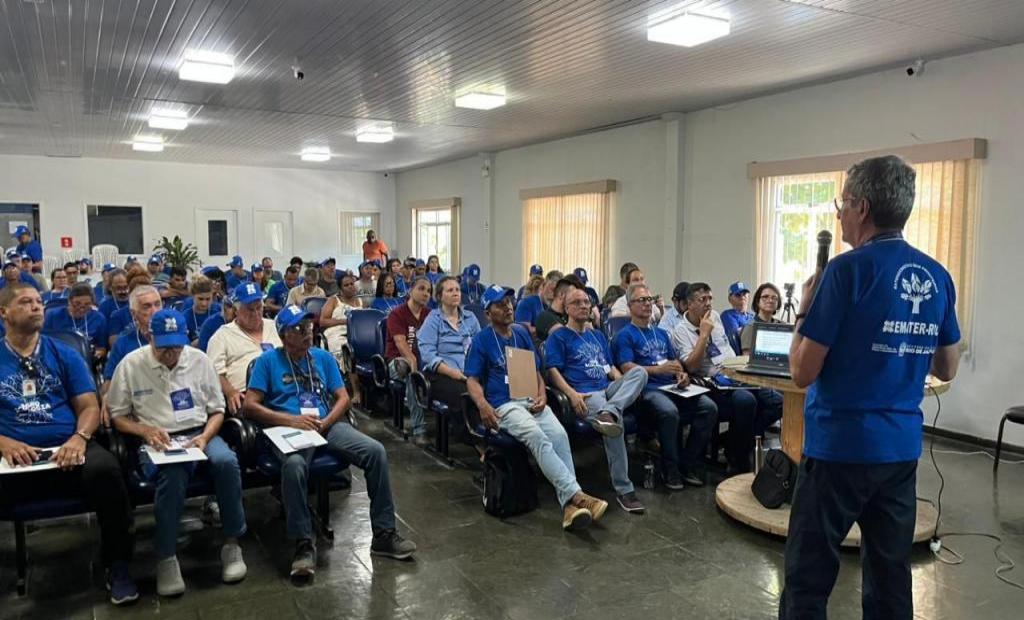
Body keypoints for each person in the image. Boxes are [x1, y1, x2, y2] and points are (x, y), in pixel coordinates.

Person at [779, 156, 961, 619]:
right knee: (889, 577)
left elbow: (802, 372)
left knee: (809, 576)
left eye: (841, 203)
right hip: (899, 452)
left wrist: (804, 309)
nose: (838, 213)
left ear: (861, 207)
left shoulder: (844, 272)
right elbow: (948, 365)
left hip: (839, 448)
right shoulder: (937, 275)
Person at [244, 306, 416, 581]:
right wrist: (290, 420)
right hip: (288, 431)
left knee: (375, 451)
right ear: (283, 335)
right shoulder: (267, 362)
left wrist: (326, 423)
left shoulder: (322, 358)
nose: (307, 333)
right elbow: (249, 407)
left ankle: (384, 534)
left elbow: (343, 397)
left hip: (327, 426)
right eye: (298, 330)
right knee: (295, 467)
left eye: (309, 328)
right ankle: (303, 543)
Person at [0, 283, 137, 605]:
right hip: (10, 453)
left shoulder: (64, 353)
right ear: (3, 312)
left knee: (107, 471)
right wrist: (3, 442)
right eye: (25, 302)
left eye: (38, 302)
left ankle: (118, 565)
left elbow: (89, 406)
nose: (36, 307)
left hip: (67, 445)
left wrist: (79, 438)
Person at [108, 309, 247, 596]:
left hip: (200, 432)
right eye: (164, 348)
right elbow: (118, 416)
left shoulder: (199, 361)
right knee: (173, 473)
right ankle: (167, 556)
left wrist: (205, 437)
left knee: (227, 463)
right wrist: (145, 431)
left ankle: (232, 543)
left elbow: (217, 410)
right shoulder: (130, 365)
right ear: (150, 338)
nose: (171, 354)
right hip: (157, 438)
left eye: (177, 346)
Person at [465, 285, 608, 531]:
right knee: (537, 436)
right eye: (500, 305)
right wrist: (483, 405)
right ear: (488, 313)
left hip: (531, 400)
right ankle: (578, 496)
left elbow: (536, 371)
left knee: (559, 436)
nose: (508, 307)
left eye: (509, 302)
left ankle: (569, 507)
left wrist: (542, 394)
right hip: (505, 405)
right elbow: (472, 380)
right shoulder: (482, 340)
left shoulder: (521, 334)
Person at [545, 287, 649, 513]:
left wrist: (623, 384)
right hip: (585, 394)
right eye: (577, 303)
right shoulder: (559, 337)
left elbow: (610, 367)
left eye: (587, 302)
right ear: (567, 308)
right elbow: (552, 371)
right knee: (614, 424)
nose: (584, 306)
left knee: (640, 373)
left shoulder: (598, 335)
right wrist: (571, 394)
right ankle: (624, 490)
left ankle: (610, 410)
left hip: (607, 389)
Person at [611, 284, 717, 489]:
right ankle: (670, 468)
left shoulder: (661, 334)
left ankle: (687, 464)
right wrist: (658, 371)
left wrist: (682, 375)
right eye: (641, 300)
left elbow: (675, 363)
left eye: (649, 300)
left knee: (709, 407)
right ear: (630, 305)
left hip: (672, 386)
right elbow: (627, 368)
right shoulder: (624, 335)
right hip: (647, 390)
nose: (647, 304)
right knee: (669, 412)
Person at [670, 282, 763, 473]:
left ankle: (733, 446)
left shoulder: (715, 317)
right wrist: (704, 335)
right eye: (702, 299)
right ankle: (738, 460)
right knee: (746, 401)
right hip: (709, 383)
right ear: (689, 304)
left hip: (733, 374)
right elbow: (691, 367)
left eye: (710, 298)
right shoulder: (680, 331)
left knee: (772, 400)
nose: (708, 304)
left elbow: (724, 350)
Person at [416, 276, 482, 434]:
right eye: (450, 290)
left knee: (493, 388)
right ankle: (475, 439)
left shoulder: (470, 318)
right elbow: (428, 355)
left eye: (458, 290)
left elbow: (481, 347)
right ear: (439, 296)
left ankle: (493, 432)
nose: (455, 293)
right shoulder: (433, 320)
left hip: (470, 372)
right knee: (466, 395)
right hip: (442, 374)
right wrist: (454, 373)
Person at [207, 283, 282, 416]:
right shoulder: (222, 336)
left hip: (283, 388)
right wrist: (230, 392)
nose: (256, 313)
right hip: (246, 395)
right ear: (236, 310)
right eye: (249, 309)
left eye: (259, 308)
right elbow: (214, 373)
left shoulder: (275, 326)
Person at [384, 276, 431, 445]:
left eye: (428, 291)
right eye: (421, 288)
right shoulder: (397, 313)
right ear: (411, 290)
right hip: (396, 362)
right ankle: (419, 429)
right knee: (411, 374)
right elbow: (401, 344)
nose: (426, 293)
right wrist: (414, 364)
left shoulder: (429, 315)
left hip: (422, 361)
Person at [103, 285, 164, 384]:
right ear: (133, 313)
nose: (155, 311)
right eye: (147, 306)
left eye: (157, 304)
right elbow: (109, 387)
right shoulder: (122, 343)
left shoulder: (176, 336)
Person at [43, 282, 108, 358]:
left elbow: (102, 348)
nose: (81, 308)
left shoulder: (99, 318)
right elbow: (44, 343)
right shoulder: (53, 316)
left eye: (87, 304)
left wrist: (96, 355)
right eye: (77, 304)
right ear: (69, 301)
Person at [107, 270, 154, 348]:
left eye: (146, 291)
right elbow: (114, 345)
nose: (143, 295)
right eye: (138, 291)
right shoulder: (117, 315)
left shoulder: (158, 312)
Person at [321, 273, 363, 355]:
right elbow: (323, 321)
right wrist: (345, 321)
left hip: (357, 333)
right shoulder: (333, 300)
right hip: (337, 334)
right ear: (340, 288)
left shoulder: (361, 301)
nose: (350, 286)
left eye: (352, 284)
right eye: (346, 285)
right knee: (342, 347)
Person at [740, 283, 785, 354]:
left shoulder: (782, 325)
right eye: (765, 297)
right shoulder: (750, 327)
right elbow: (747, 358)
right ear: (757, 302)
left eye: (774, 298)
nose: (770, 300)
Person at [514, 269, 561, 337]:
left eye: (557, 292)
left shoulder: (557, 307)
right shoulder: (527, 303)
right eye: (552, 289)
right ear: (543, 286)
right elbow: (523, 331)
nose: (553, 294)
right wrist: (549, 330)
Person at [534, 277, 579, 341]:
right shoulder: (544, 316)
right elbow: (565, 337)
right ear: (561, 295)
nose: (576, 299)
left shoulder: (568, 316)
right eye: (573, 295)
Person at [183, 276, 221, 345]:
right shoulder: (185, 317)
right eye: (200, 299)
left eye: (208, 299)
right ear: (192, 296)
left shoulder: (219, 312)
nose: (204, 303)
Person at [720, 281, 754, 355]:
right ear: (730, 299)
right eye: (738, 295)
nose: (742, 297)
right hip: (738, 358)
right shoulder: (727, 315)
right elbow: (735, 335)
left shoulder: (753, 316)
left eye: (744, 294)